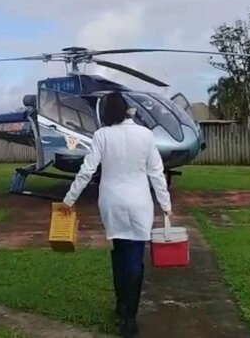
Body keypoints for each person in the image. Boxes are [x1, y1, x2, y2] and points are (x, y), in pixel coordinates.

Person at [60, 91, 172, 337]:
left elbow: (87, 170)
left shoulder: (101, 135)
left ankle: (121, 306)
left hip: (111, 202)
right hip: (139, 202)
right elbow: (156, 172)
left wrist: (69, 199)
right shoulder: (145, 135)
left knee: (118, 251)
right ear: (128, 110)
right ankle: (129, 317)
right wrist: (165, 203)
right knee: (134, 258)